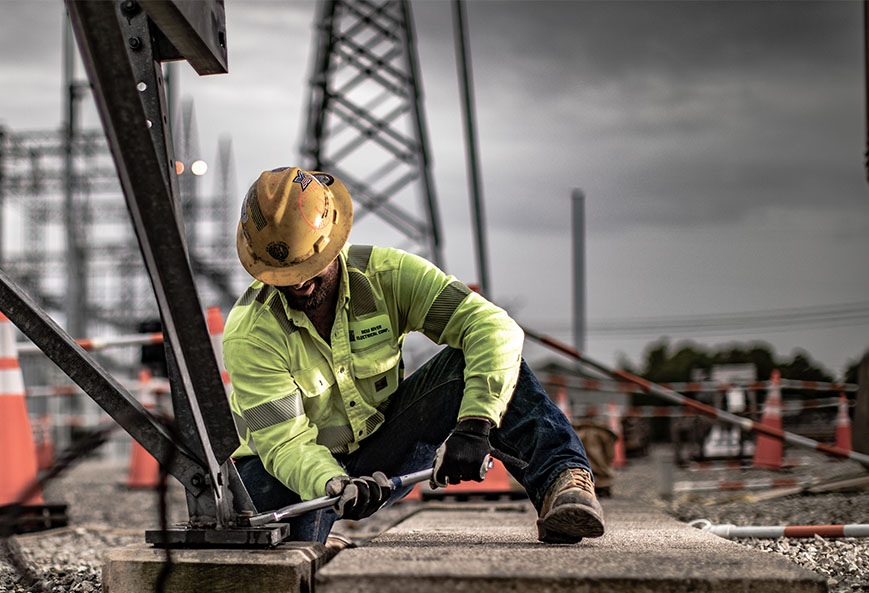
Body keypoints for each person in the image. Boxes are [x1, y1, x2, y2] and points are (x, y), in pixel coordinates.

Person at [222, 167, 604, 544]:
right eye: (285, 275)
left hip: (384, 447)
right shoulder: (251, 332)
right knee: (274, 548)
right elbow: (285, 443)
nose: (300, 284)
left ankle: (563, 481)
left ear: (335, 241)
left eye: (308, 267)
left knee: (480, 360)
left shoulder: (388, 276)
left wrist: (475, 424)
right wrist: (335, 483)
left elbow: (492, 327)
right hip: (292, 473)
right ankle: (316, 542)